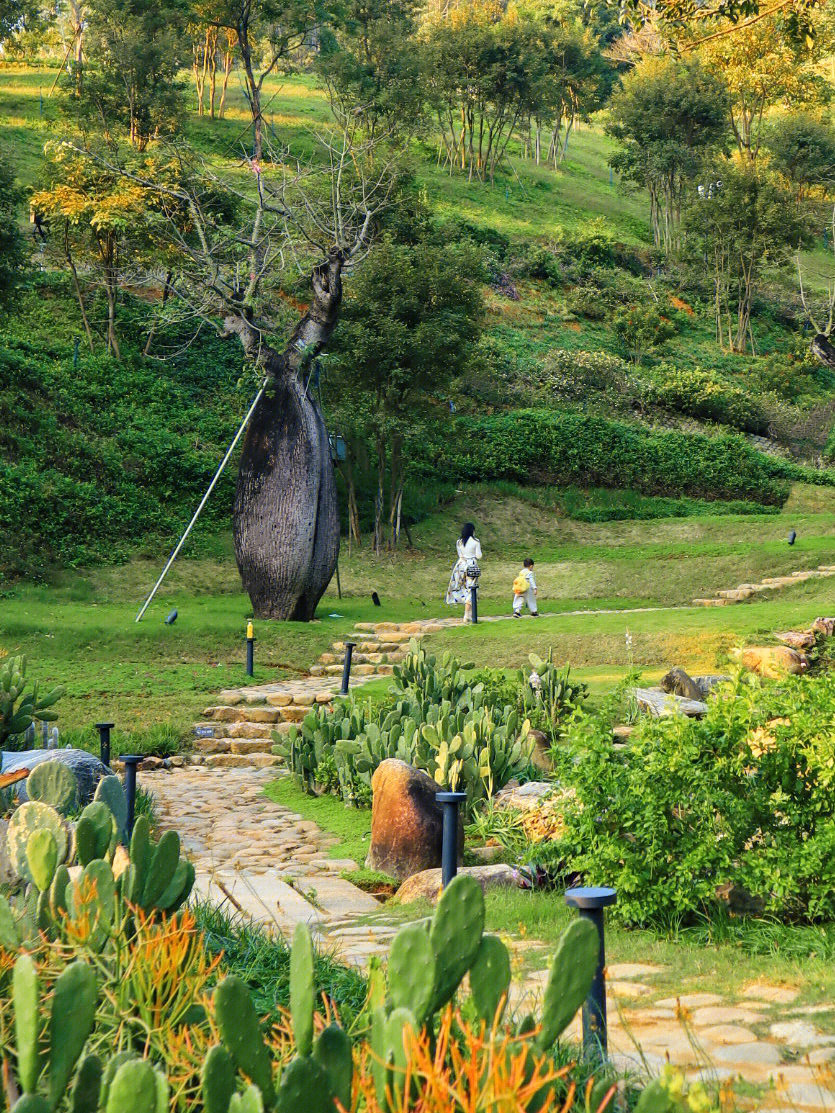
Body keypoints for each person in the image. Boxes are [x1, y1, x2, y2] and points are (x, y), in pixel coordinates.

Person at [445, 522, 482, 623]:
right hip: (471, 566)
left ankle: (467, 613)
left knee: (462, 588)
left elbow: (460, 555)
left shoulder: (459, 542)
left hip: (460, 566)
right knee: (471, 589)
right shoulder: (476, 541)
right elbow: (479, 556)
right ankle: (467, 615)